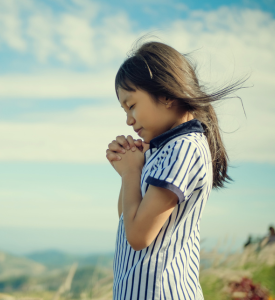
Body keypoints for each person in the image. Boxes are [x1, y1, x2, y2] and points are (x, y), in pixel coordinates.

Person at [105, 40, 248, 300]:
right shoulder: (163, 149)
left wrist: (130, 173)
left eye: (132, 105)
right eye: (124, 110)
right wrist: (131, 168)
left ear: (166, 94)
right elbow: (127, 221)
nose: (128, 120)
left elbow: (138, 236)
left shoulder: (183, 148)